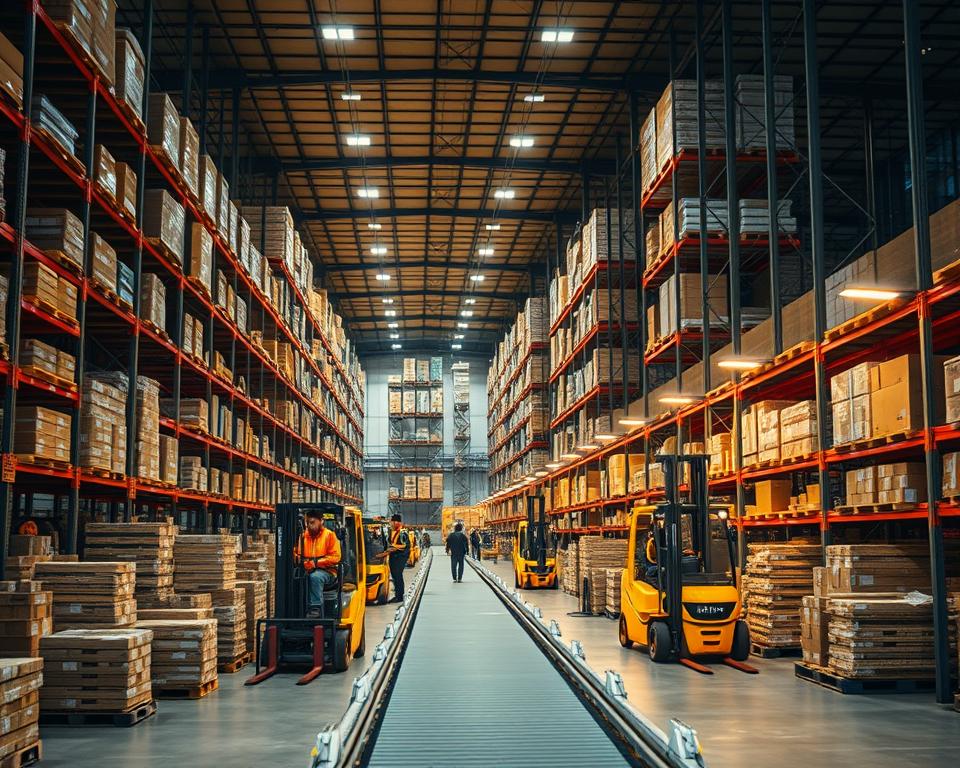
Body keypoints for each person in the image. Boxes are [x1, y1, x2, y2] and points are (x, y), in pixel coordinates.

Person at [294, 509, 341, 618]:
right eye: (307, 523)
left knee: (315, 577)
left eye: (312, 522)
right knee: (294, 576)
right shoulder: (303, 537)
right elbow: (296, 552)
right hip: (307, 569)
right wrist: (299, 560)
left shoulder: (330, 535)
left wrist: (315, 563)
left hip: (327, 571)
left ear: (321, 521)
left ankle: (315, 608)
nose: (310, 526)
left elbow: (335, 557)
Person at [377, 514, 411, 602]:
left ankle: (399, 597)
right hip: (394, 557)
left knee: (397, 575)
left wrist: (386, 552)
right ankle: (397, 595)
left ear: (397, 522)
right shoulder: (393, 532)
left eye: (392, 522)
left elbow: (402, 546)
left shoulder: (402, 533)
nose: (391, 524)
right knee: (395, 576)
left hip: (400, 557)